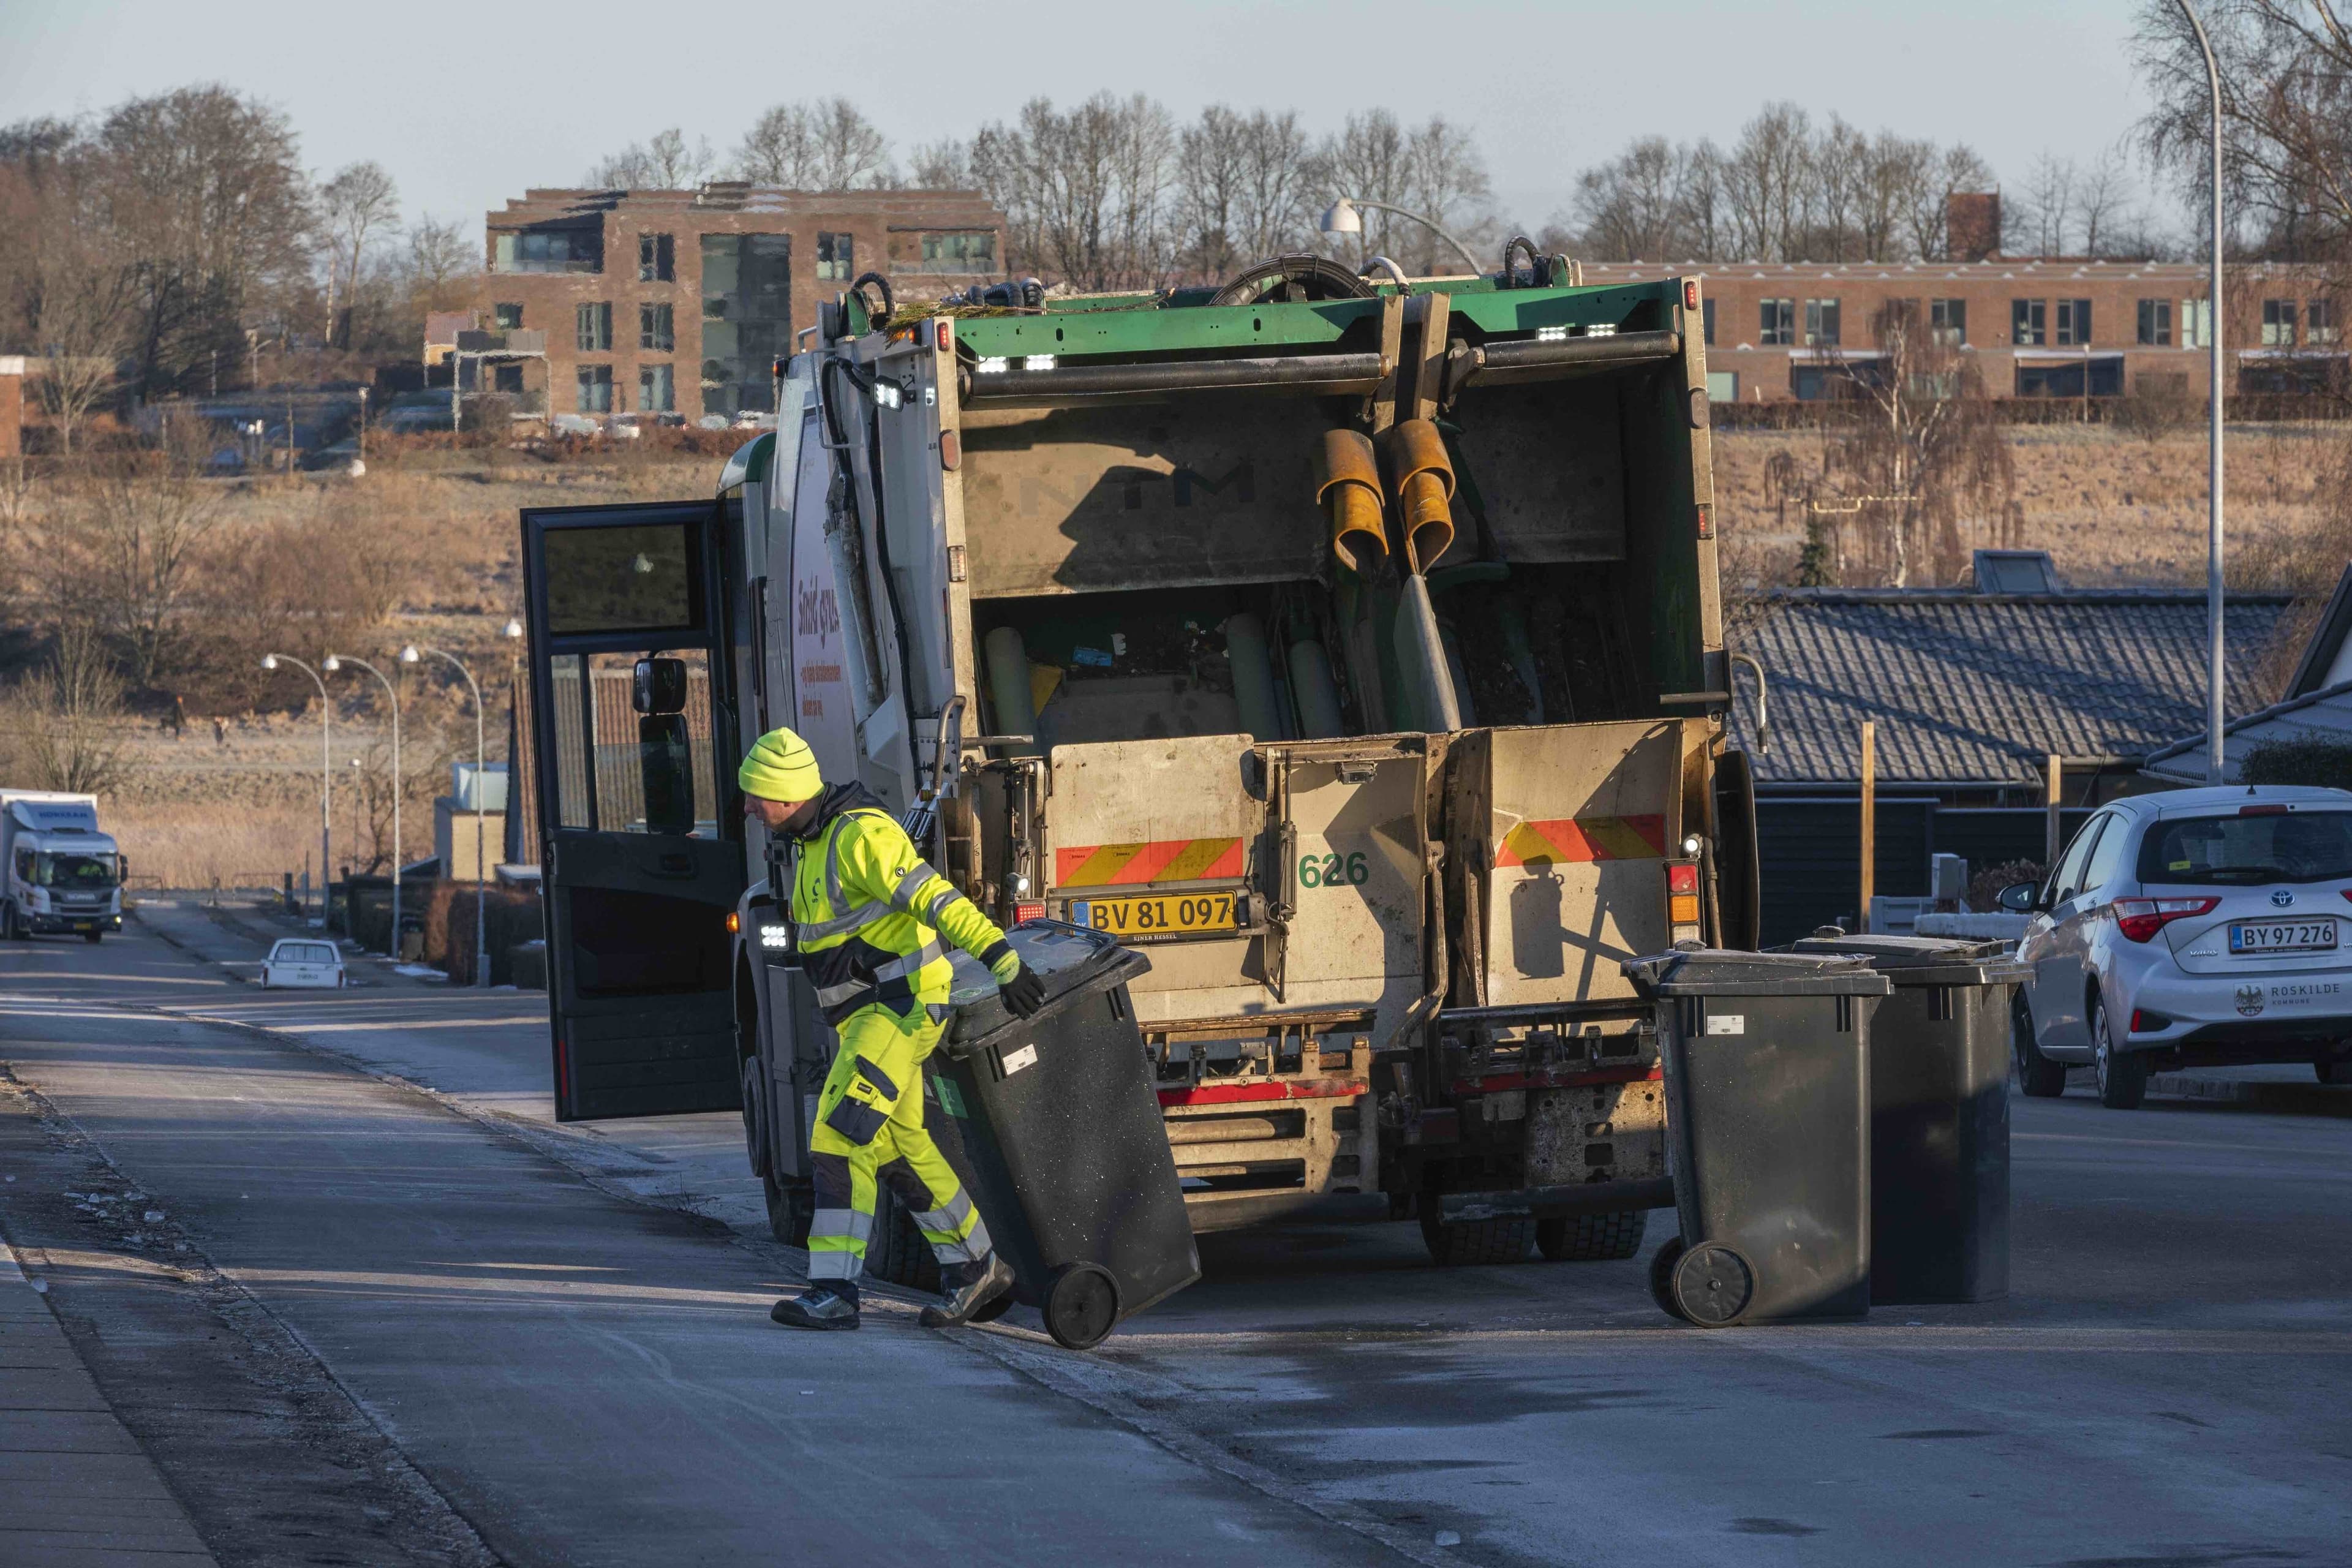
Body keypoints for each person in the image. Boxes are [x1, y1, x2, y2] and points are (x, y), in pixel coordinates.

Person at [739, 725, 1045, 1332]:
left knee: (838, 1135)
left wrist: (1002, 959)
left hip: (897, 1007)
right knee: (903, 1147)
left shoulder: (860, 838)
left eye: (756, 795)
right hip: (873, 1013)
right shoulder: (812, 841)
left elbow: (935, 897)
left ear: (786, 795)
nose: (749, 806)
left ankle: (833, 1292)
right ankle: (978, 1268)